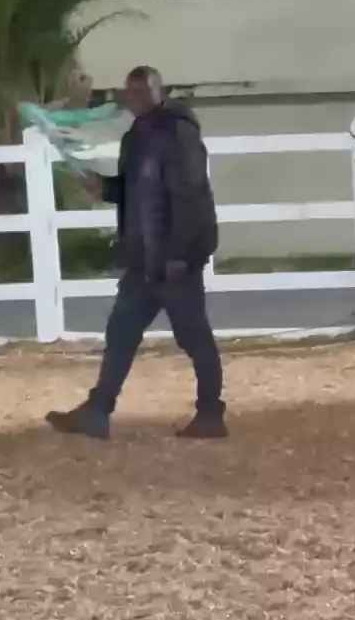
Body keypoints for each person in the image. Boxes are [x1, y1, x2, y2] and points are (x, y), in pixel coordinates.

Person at [46, 66, 227, 440]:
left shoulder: (178, 133)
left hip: (173, 260)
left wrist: (181, 256)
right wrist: (104, 187)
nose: (137, 99)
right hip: (143, 259)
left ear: (160, 91)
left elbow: (192, 196)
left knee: (193, 336)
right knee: (121, 332)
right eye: (132, 93)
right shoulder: (137, 136)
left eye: (144, 92)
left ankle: (211, 414)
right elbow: (135, 190)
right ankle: (98, 411)